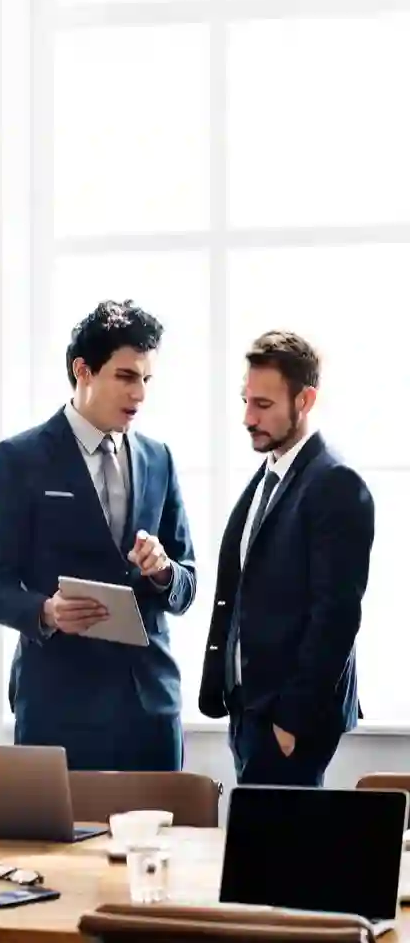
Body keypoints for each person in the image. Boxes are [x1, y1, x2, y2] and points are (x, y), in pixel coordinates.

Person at [0, 300, 198, 772]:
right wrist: (47, 612)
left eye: (146, 379)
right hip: (59, 708)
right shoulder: (19, 459)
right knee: (56, 848)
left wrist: (162, 572)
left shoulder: (160, 459)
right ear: (83, 370)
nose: (139, 394)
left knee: (156, 847)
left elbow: (186, 585)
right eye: (125, 376)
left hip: (150, 707)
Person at [198, 332, 373, 787]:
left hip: (287, 718)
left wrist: (292, 719)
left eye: (263, 404)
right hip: (249, 710)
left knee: (283, 853)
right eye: (245, 401)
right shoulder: (270, 475)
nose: (247, 417)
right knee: (261, 851)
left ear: (306, 399)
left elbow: (335, 615)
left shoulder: (335, 483)